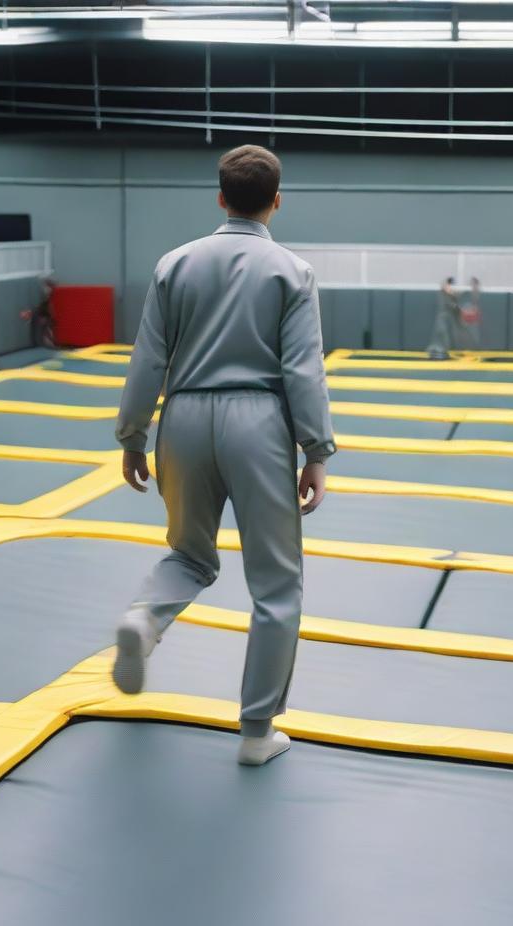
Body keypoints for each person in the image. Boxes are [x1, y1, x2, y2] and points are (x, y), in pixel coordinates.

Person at [111, 144, 335, 767]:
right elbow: (303, 370)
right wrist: (315, 450)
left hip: (182, 418)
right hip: (258, 423)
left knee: (188, 553)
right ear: (276, 200)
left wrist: (133, 436)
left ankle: (144, 621)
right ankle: (257, 732)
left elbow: (147, 360)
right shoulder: (292, 271)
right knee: (275, 583)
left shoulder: (174, 265)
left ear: (219, 197)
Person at [427, 276, 481, 358]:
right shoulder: (446, 299)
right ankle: (436, 350)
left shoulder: (464, 299)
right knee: (444, 332)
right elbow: (445, 289)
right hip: (448, 317)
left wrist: (474, 286)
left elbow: (472, 299)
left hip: (458, 316)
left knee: (464, 333)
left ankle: (465, 350)